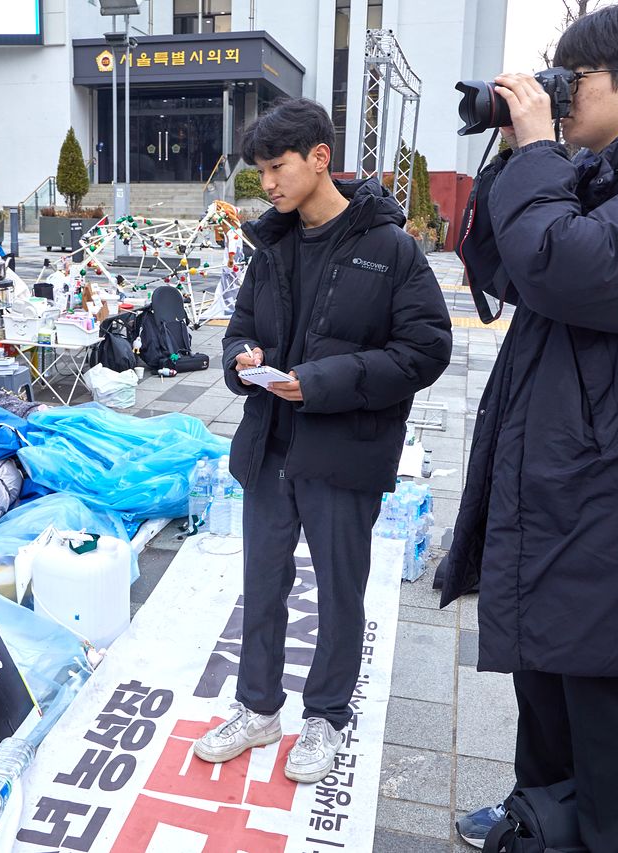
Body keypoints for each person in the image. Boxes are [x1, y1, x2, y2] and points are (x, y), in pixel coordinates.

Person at [440, 4, 618, 850]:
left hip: (611, 470)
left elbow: (567, 268)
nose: (558, 94)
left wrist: (539, 151)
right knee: (548, 654)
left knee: (604, 672)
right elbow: (500, 261)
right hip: (565, 453)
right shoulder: (608, 168)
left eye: (575, 78)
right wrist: (518, 150)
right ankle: (545, 815)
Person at [196, 98, 451, 783]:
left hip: (344, 452)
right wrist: (242, 358)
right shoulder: (270, 244)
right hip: (269, 443)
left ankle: (326, 715)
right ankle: (257, 707)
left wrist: (320, 382)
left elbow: (425, 351)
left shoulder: (389, 248)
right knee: (262, 582)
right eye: (260, 172)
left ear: (318, 158)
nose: (268, 184)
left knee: (340, 589)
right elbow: (236, 329)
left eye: (277, 167)